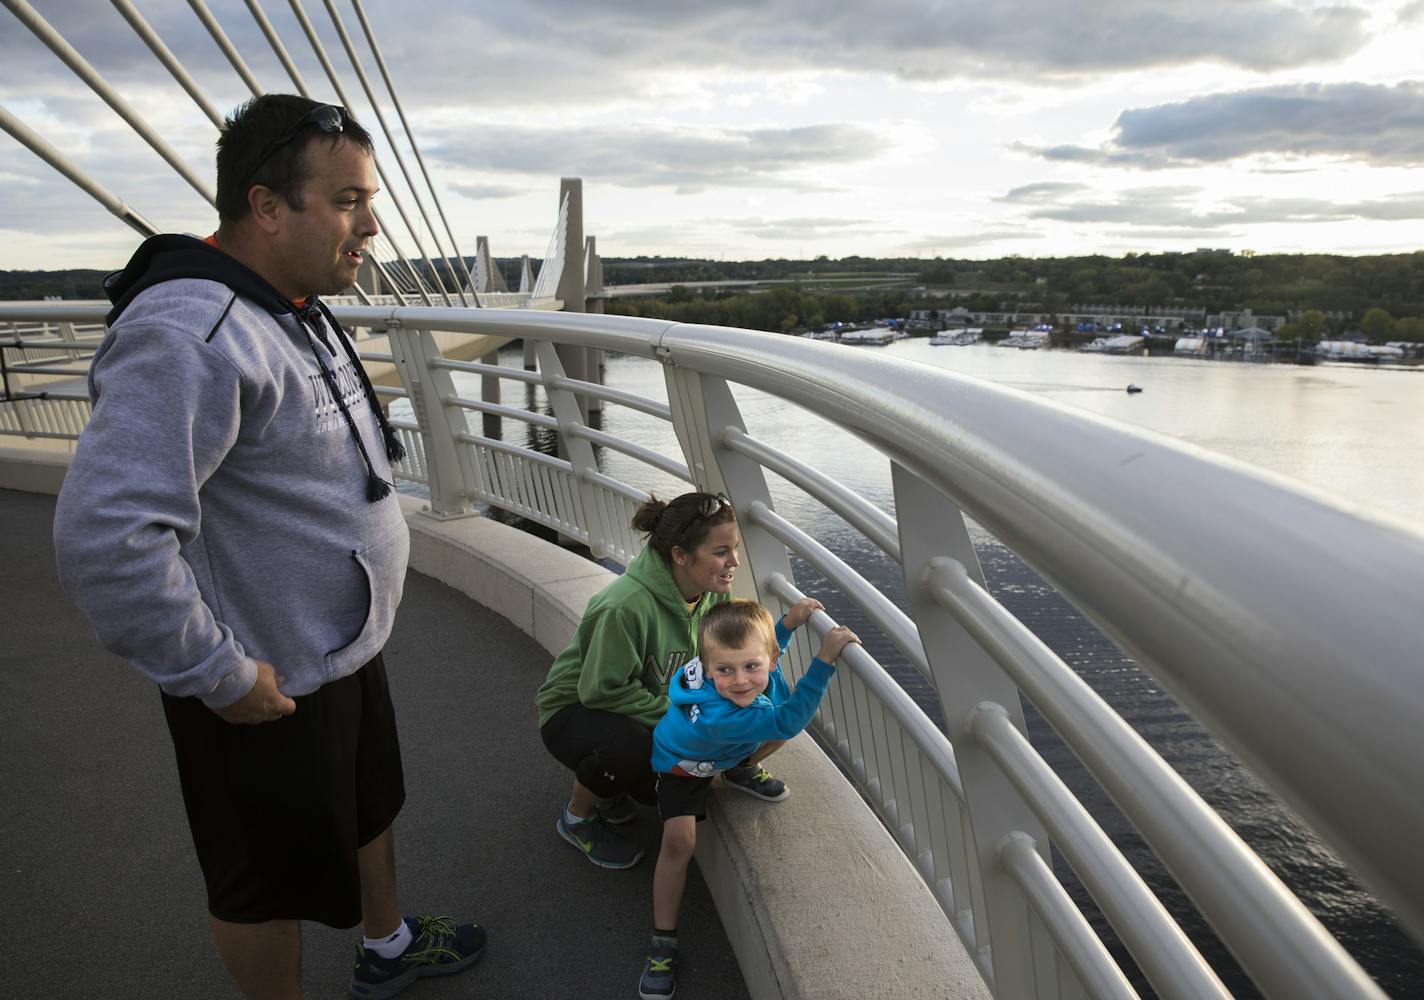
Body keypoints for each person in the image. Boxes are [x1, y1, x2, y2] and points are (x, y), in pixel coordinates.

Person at [51, 94, 483, 1000]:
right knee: (261, 883)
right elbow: (107, 538)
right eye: (348, 201)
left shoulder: (287, 300)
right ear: (266, 207)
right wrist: (218, 674)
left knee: (369, 808)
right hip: (264, 681)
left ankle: (388, 945)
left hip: (338, 646)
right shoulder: (190, 333)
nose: (373, 224)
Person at [537, 491, 792, 870]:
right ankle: (578, 816)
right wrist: (681, 716)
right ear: (679, 555)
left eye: (734, 548)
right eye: (721, 551)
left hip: (645, 702)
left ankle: (730, 767)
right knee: (631, 750)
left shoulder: (711, 595)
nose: (734, 562)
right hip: (575, 707)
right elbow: (600, 690)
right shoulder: (623, 607)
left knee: (772, 709)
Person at [638, 598, 860, 999]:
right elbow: (790, 719)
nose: (740, 680)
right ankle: (662, 942)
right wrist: (824, 660)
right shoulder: (724, 714)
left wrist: (788, 624)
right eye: (724, 670)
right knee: (678, 844)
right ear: (707, 669)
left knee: (773, 713)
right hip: (682, 767)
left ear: (771, 660)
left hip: (721, 751)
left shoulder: (749, 666)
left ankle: (739, 768)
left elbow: (761, 644)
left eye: (750, 667)